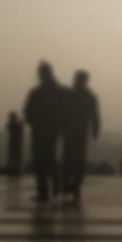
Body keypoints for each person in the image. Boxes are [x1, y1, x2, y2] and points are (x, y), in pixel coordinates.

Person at [22, 61, 69, 205]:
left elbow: (27, 112)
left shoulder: (36, 92)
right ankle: (56, 189)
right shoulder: (60, 91)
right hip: (52, 130)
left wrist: (34, 122)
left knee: (41, 161)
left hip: (40, 130)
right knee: (50, 159)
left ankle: (44, 192)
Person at [60, 69, 101, 203]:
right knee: (78, 159)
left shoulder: (69, 95)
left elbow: (60, 112)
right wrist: (95, 130)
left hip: (69, 130)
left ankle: (68, 184)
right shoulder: (89, 96)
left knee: (68, 158)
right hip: (80, 131)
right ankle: (75, 185)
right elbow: (95, 116)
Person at [4, 111, 22, 177]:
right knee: (14, 157)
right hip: (15, 143)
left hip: (15, 143)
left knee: (14, 157)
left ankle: (14, 170)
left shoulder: (13, 124)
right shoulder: (14, 124)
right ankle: (14, 170)